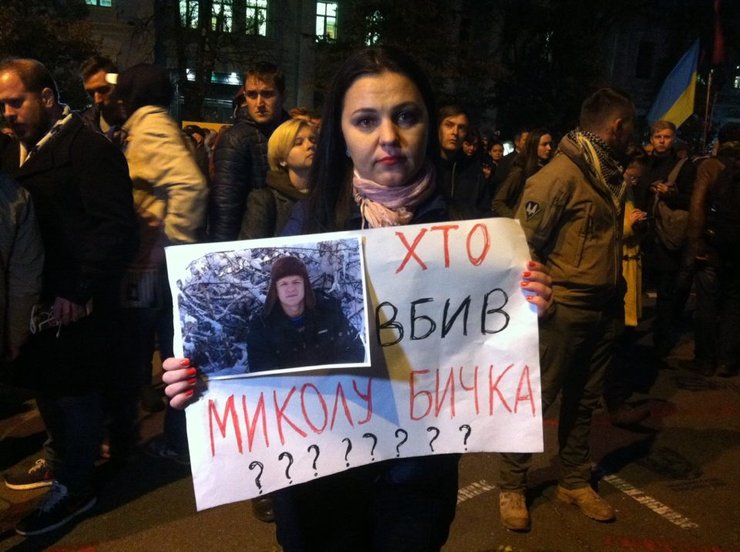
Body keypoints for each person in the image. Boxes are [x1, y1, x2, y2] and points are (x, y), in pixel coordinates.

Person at [162, 47, 552, 551]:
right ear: (341, 135)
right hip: (319, 481)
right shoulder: (310, 223)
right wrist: (199, 377)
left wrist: (528, 303)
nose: (388, 136)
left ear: (428, 125)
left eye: (406, 116)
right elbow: (264, 345)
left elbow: (489, 346)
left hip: (416, 484)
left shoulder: (472, 235)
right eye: (366, 120)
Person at [0, 57, 138, 536]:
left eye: (15, 102)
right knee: (47, 388)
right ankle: (59, 456)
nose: (7, 112)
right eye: (1, 105)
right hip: (34, 297)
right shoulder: (16, 149)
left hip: (73, 300)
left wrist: (80, 288)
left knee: (73, 394)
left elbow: (117, 228)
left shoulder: (88, 149)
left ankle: (75, 485)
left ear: (46, 97)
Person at [498, 88, 636, 532]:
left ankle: (574, 480)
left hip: (603, 307)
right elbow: (521, 246)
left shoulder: (606, 175)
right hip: (563, 313)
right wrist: (540, 302)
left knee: (584, 402)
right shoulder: (559, 176)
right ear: (617, 127)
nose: (633, 137)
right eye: (631, 129)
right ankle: (511, 484)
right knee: (535, 401)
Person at [111, 63, 208, 464]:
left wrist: (168, 245)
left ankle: (153, 440)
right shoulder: (152, 125)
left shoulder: (150, 127)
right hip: (151, 263)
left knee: (142, 350)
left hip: (150, 267)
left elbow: (190, 185)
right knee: (159, 348)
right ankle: (161, 437)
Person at [209, 62, 291, 241]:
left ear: (283, 96)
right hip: (251, 238)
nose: (259, 103)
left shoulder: (294, 134)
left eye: (267, 94)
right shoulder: (235, 139)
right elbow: (225, 205)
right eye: (252, 95)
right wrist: (224, 250)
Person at [686, 122, 740, 378]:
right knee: (734, 302)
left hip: (712, 245)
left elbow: (697, 205)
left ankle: (705, 359)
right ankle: (727, 360)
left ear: (719, 142)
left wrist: (696, 242)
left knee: (706, 301)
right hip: (738, 247)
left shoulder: (710, 166)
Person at [247, 256, 365, 372]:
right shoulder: (261, 326)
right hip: (289, 385)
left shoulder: (328, 310)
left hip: (332, 382)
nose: (291, 289)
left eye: (296, 282)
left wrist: (329, 378)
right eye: (284, 284)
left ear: (305, 285)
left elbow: (354, 349)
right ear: (275, 289)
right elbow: (262, 371)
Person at [639, 120, 696, 358]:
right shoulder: (643, 163)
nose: (662, 141)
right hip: (643, 233)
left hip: (666, 236)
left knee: (666, 291)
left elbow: (691, 200)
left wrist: (670, 194)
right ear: (651, 139)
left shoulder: (683, 167)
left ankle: (661, 340)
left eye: (667, 137)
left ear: (673, 139)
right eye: (658, 137)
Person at [239, 118, 316, 239]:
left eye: (313, 140)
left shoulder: (332, 193)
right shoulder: (264, 200)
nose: (310, 145)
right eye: (298, 143)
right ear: (282, 159)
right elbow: (251, 247)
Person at [436, 105, 489, 219]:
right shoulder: (422, 167)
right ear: (438, 128)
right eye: (449, 125)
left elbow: (484, 210)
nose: (455, 132)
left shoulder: (474, 172)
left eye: (461, 128)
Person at [491, 128, 553, 218]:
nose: (549, 148)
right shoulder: (520, 171)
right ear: (533, 146)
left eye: (550, 144)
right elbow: (498, 202)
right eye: (544, 144)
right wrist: (516, 219)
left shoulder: (548, 169)